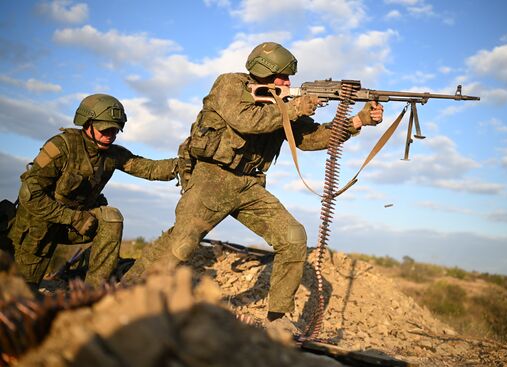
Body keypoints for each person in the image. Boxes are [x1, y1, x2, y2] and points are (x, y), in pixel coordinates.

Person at [124, 42, 383, 327]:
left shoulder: (284, 103)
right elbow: (245, 121)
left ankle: (277, 319)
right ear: (264, 72)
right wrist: (295, 106)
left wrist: (358, 120)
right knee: (181, 244)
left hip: (249, 183)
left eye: (288, 78)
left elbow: (309, 139)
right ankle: (122, 298)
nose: (287, 82)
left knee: (293, 237)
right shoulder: (230, 84)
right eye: (282, 76)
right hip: (212, 177)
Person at [8, 94, 179, 292]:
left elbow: (148, 168)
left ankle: (91, 293)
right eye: (105, 129)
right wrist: (72, 217)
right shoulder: (61, 147)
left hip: (73, 226)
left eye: (115, 130)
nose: (110, 135)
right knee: (20, 295)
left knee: (111, 218)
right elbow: (30, 195)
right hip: (37, 230)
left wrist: (181, 164)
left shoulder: (112, 154)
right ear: (86, 123)